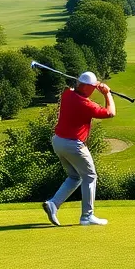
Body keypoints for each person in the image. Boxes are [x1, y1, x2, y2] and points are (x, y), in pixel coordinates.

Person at [42, 71, 116, 226]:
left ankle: (53, 204)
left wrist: (90, 84)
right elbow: (110, 113)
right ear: (88, 87)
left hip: (58, 142)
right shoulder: (85, 104)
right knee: (90, 176)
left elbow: (72, 88)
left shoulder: (67, 94)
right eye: (93, 87)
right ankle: (87, 216)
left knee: (75, 177)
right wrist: (107, 93)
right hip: (73, 144)